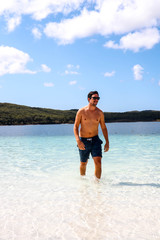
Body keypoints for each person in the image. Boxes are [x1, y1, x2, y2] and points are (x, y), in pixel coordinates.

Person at [74, 91, 109, 179]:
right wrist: (78, 141)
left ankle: (97, 185)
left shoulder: (100, 113)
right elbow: (75, 126)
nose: (96, 100)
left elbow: (103, 127)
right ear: (89, 99)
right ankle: (83, 182)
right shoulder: (81, 111)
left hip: (95, 140)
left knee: (98, 162)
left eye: (98, 98)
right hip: (83, 140)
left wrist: (107, 142)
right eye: (94, 98)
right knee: (83, 163)